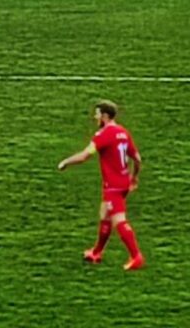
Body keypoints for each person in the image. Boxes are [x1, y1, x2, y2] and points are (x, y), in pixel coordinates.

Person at [58, 99, 144, 271]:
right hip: (123, 182)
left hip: (113, 185)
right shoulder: (123, 132)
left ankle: (136, 256)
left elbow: (84, 155)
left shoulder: (104, 134)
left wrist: (66, 162)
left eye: (97, 114)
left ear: (104, 116)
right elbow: (137, 158)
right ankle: (96, 252)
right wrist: (134, 178)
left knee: (118, 220)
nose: (94, 118)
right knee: (104, 214)